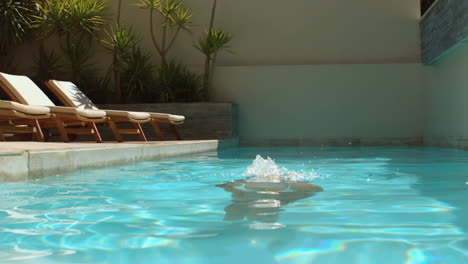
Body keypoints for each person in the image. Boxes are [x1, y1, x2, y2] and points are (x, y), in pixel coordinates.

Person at [217, 177, 323, 223]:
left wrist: (252, 186)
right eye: (270, 215)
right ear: (277, 209)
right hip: (278, 182)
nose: (264, 213)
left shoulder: (241, 198)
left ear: (249, 214)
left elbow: (223, 185)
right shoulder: (284, 199)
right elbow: (316, 189)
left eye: (263, 216)